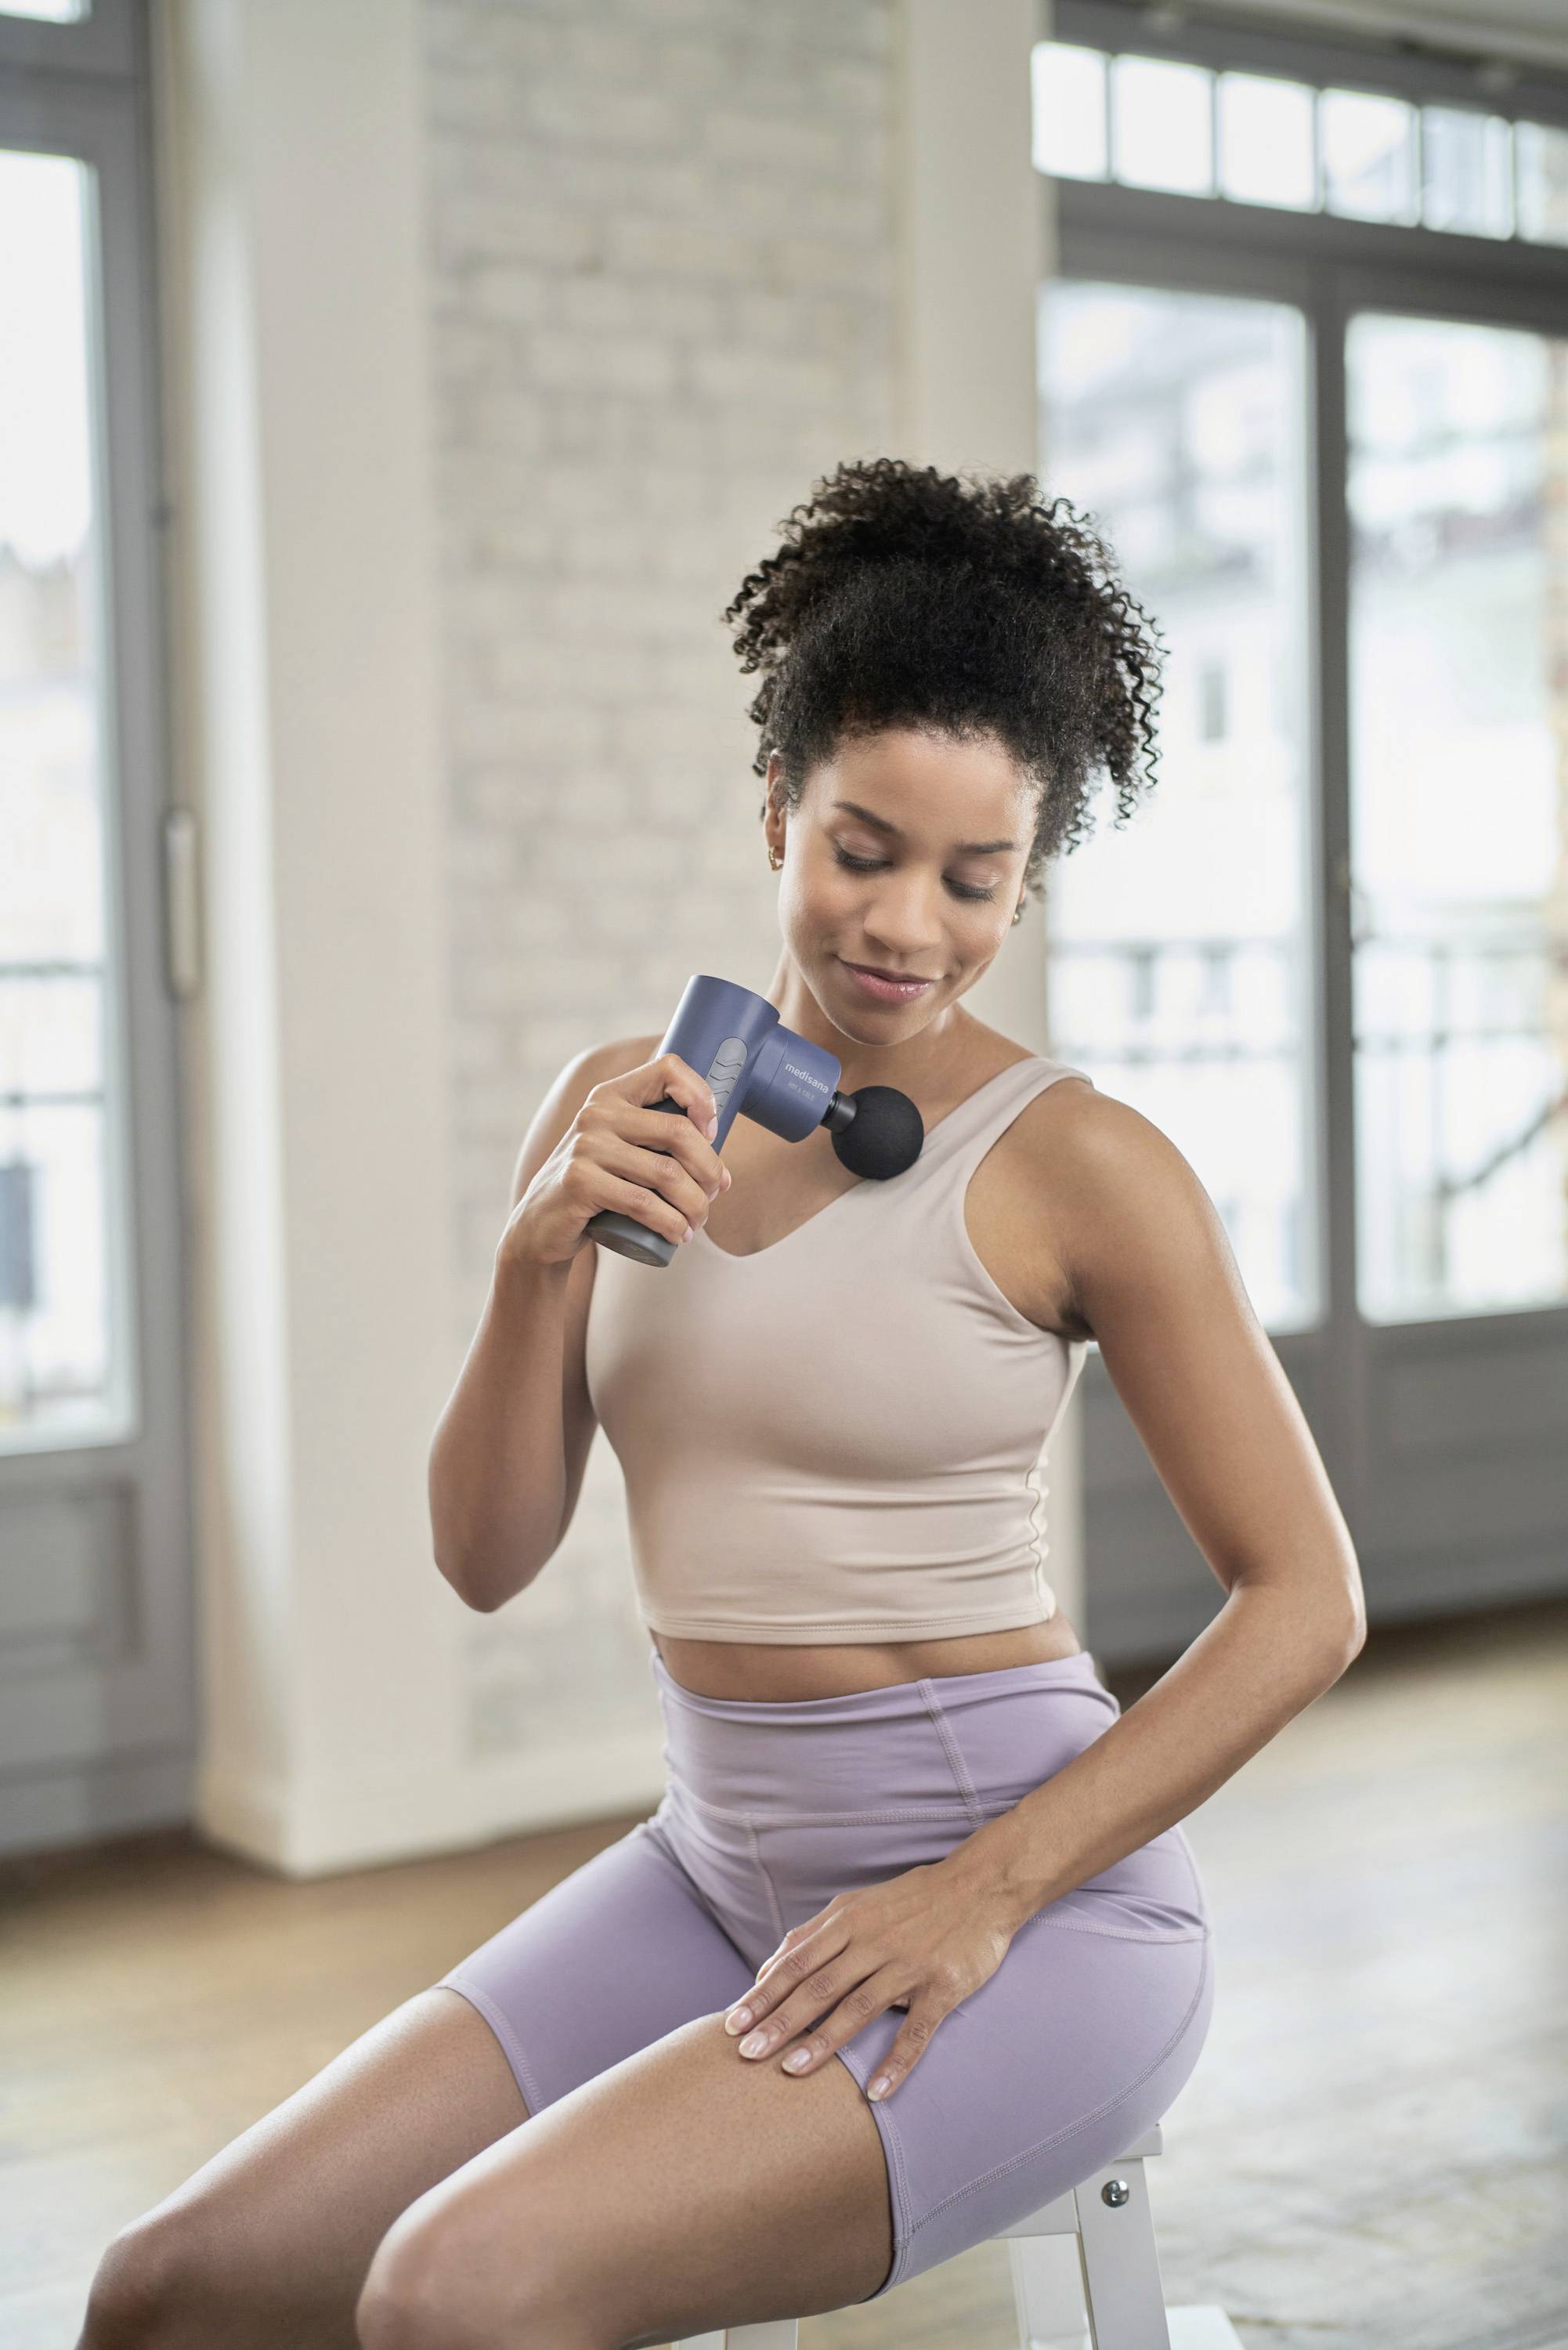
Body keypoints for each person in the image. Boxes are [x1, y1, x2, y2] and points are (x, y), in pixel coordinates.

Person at [79, 458, 1365, 2350]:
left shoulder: (1083, 1164)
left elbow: (1302, 1601)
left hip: (1031, 1919)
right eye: (861, 846)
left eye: (971, 876)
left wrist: (979, 1895)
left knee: (456, 2293)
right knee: (168, 2292)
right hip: (714, 1867)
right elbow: (485, 1559)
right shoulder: (630, 1104)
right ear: (774, 806)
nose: (905, 926)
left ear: (1024, 874)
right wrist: (540, 1258)